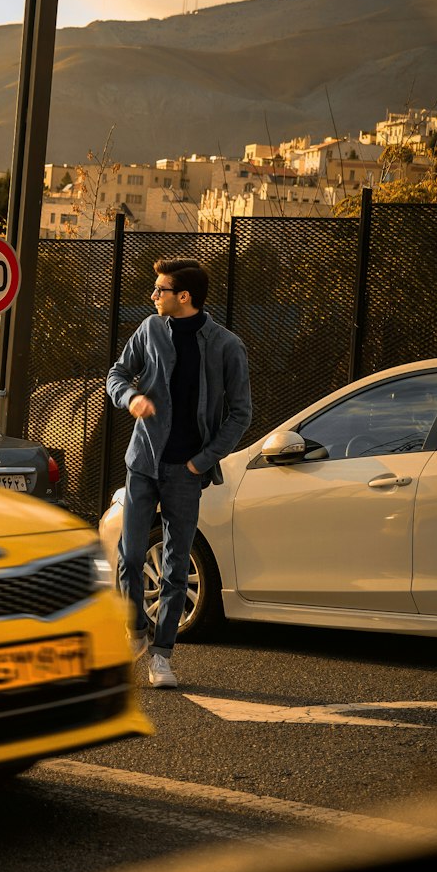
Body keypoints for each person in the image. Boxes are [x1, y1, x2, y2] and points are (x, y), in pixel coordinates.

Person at [106, 257, 251, 688]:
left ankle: (162, 656)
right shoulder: (149, 331)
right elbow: (116, 374)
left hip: (187, 472)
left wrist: (201, 462)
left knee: (174, 568)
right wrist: (130, 397)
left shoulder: (227, 346)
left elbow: (241, 414)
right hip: (142, 464)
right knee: (130, 558)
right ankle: (134, 631)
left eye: (160, 290)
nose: (153, 297)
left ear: (183, 297)